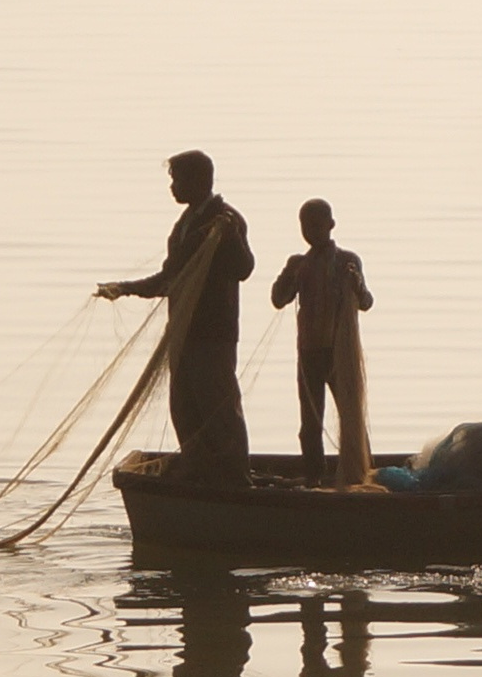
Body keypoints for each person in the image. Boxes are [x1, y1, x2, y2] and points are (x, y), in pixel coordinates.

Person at [96, 151, 254, 486]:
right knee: (184, 405)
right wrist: (124, 288)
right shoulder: (184, 225)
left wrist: (229, 235)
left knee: (219, 405)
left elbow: (244, 269)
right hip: (184, 331)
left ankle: (234, 475)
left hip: (214, 333)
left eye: (177, 179)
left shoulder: (226, 219)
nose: (172, 187)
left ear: (199, 181)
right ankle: (199, 468)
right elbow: (170, 279)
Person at [269, 198, 374, 486]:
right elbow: (279, 299)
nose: (311, 231)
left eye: (317, 225)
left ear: (331, 225)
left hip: (340, 354)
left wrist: (357, 284)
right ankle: (315, 475)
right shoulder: (298, 263)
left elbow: (366, 302)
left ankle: (358, 471)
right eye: (306, 226)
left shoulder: (347, 261)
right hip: (309, 353)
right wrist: (289, 275)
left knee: (351, 416)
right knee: (310, 422)